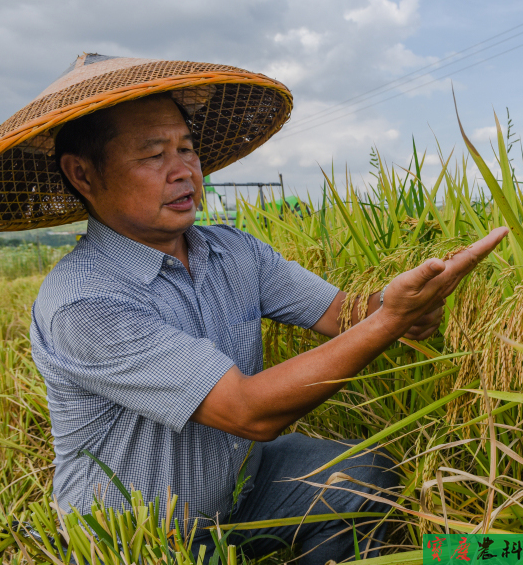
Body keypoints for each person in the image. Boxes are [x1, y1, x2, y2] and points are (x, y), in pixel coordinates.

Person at [0, 54, 507, 564]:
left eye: (187, 149)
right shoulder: (84, 301)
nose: (184, 171)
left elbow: (347, 313)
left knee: (365, 472)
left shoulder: (234, 252)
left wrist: (401, 303)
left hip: (239, 491)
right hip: (141, 539)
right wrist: (389, 323)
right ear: (83, 174)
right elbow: (247, 410)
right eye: (153, 155)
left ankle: (478, 553)